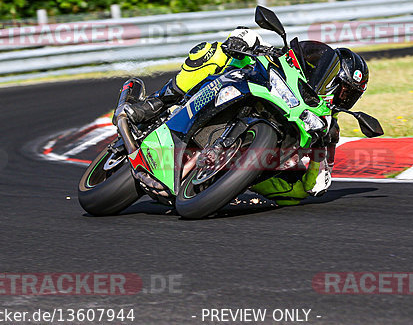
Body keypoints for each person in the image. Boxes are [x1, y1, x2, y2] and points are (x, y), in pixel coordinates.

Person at [122, 28, 369, 205]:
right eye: (341, 88)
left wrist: (321, 169)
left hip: (267, 145)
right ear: (328, 73)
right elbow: (249, 38)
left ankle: (231, 181)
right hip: (251, 87)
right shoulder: (296, 63)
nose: (341, 97)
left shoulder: (328, 126)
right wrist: (242, 40)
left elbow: (317, 180)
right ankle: (156, 102)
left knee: (297, 192)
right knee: (213, 53)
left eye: (349, 96)